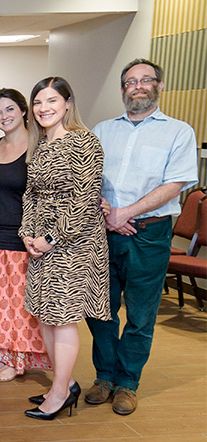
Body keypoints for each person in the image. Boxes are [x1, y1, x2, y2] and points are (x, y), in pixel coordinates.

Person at [85, 59, 199, 415]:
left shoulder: (179, 132)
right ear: (123, 89)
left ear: (159, 86)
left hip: (149, 234)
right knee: (99, 309)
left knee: (140, 313)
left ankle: (127, 382)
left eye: (145, 80)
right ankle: (104, 376)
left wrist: (126, 213)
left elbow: (174, 184)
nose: (138, 86)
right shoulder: (103, 130)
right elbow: (87, 178)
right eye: (131, 82)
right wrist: (109, 213)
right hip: (104, 232)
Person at [20, 76, 110, 420]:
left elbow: (86, 200)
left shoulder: (84, 142)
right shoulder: (40, 144)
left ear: (68, 104)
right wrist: (28, 233)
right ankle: (66, 382)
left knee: (63, 318)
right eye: (38, 103)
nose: (44, 109)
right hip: (40, 243)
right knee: (44, 314)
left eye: (51, 101)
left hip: (75, 244)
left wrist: (52, 238)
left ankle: (59, 394)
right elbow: (31, 194)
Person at [0, 89, 51, 382]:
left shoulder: (40, 146)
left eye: (10, 110)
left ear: (24, 111)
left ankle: (17, 361)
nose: (4, 117)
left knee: (17, 304)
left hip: (25, 239)